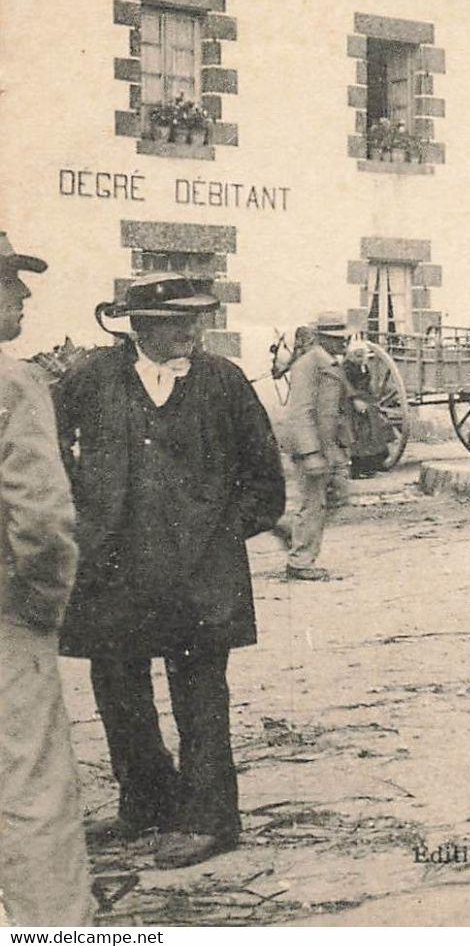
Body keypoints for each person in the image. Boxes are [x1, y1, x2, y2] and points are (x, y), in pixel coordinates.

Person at [56, 273, 285, 869]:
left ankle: (211, 820)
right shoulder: (90, 379)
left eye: (198, 318)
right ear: (138, 325)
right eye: (175, 321)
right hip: (112, 575)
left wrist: (218, 536)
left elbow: (265, 481)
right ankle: (146, 803)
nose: (191, 332)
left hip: (200, 581)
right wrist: (81, 521)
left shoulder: (224, 383)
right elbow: (46, 454)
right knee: (119, 694)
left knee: (201, 698)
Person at [0, 232, 93, 924]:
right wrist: (41, 607)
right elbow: (42, 520)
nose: (24, 295)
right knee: (33, 787)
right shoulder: (12, 382)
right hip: (6, 619)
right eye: (9, 281)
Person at [283, 313, 351, 581]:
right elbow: (300, 412)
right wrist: (309, 453)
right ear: (322, 339)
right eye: (337, 338)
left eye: (344, 337)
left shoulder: (332, 363)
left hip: (330, 447)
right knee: (313, 502)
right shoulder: (307, 365)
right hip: (312, 448)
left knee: (337, 496)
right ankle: (300, 561)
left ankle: (297, 531)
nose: (344, 342)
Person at [343, 345, 394, 478]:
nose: (360, 359)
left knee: (373, 432)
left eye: (362, 356)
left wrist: (372, 400)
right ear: (351, 355)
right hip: (354, 403)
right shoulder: (346, 367)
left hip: (366, 399)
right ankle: (357, 470)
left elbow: (367, 384)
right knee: (359, 435)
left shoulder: (364, 367)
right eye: (357, 356)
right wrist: (355, 399)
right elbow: (346, 385)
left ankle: (374, 464)